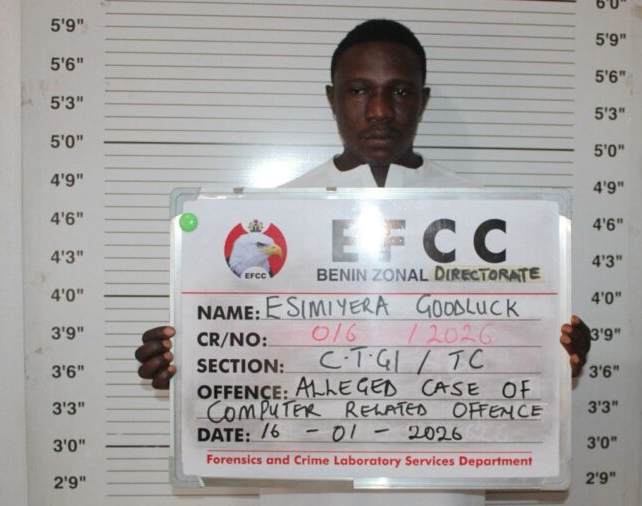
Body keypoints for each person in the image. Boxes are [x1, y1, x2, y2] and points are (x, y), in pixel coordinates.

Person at [135, 19, 590, 505]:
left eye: (400, 91)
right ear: (332, 99)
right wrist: (190, 359)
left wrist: (554, 353)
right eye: (358, 91)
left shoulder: (495, 218)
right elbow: (240, 352)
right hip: (304, 490)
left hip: (439, 489)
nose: (380, 111)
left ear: (423, 100)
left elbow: (509, 359)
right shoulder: (268, 216)